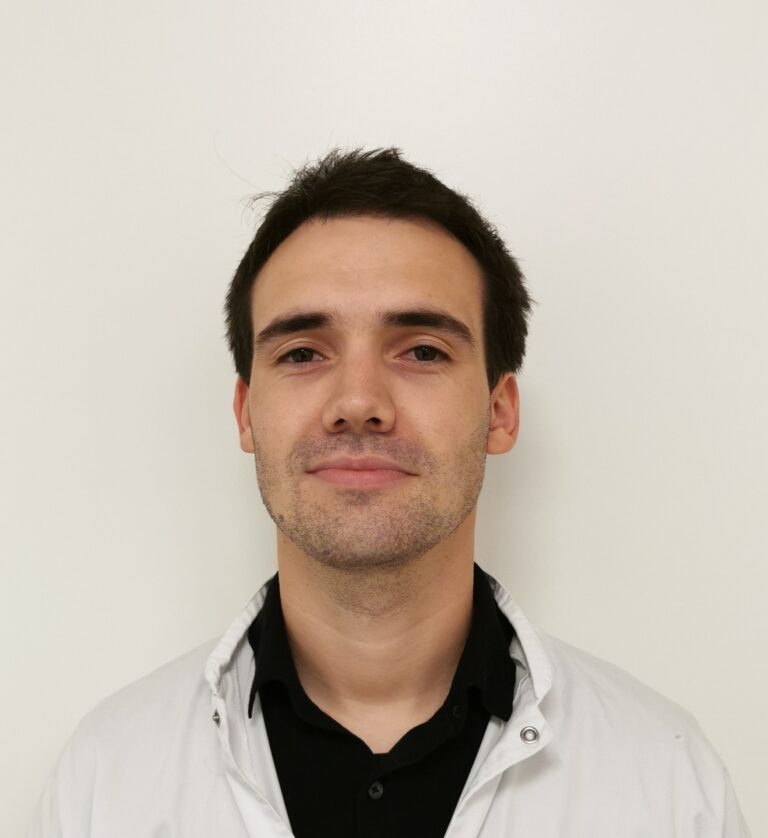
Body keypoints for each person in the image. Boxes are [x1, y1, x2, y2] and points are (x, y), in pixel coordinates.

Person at [29, 148, 752, 837]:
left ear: (500, 412)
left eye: (422, 350)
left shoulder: (666, 786)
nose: (358, 402)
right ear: (246, 413)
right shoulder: (105, 785)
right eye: (303, 352)